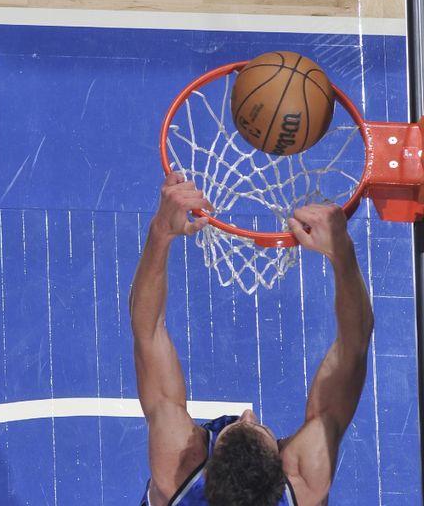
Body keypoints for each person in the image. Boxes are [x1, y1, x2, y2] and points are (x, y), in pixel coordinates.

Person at [130, 173, 374, 506]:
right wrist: (342, 253)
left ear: (208, 467)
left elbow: (149, 331)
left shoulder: (179, 470)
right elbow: (354, 344)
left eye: (240, 426)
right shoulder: (304, 480)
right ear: (282, 469)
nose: (247, 413)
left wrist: (161, 231)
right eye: (257, 426)